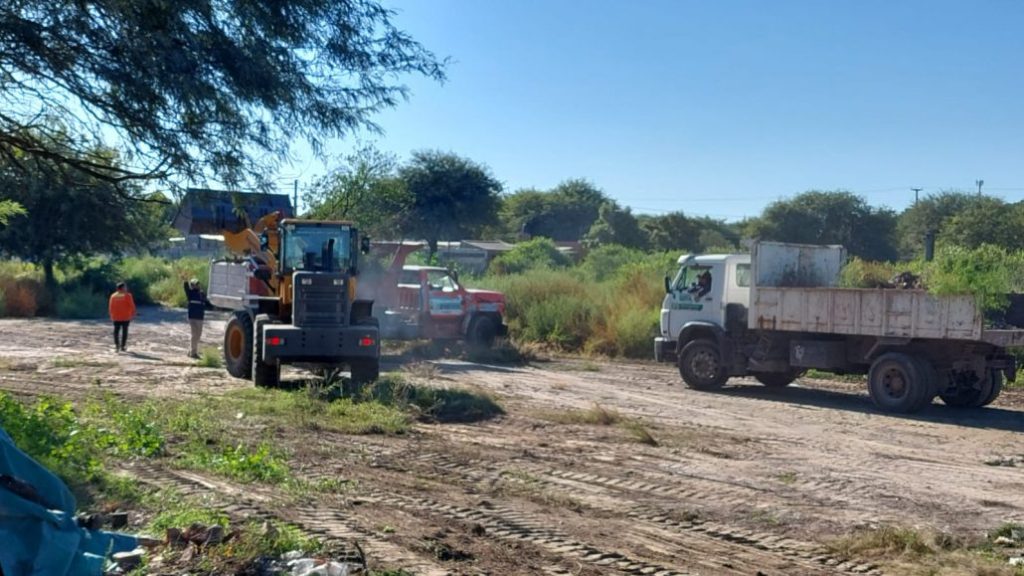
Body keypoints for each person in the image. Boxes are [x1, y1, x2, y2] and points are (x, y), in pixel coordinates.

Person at [183, 278, 212, 358]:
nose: (198, 285)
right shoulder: (190, 293)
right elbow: (185, 286)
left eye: (198, 284)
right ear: (192, 285)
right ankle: (193, 353)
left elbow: (206, 303)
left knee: (198, 335)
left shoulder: (201, 293)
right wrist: (185, 278)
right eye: (196, 284)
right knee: (194, 334)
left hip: (200, 317)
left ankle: (191, 351)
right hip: (192, 317)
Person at [108, 282, 136, 352]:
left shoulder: (113, 296)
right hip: (125, 317)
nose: (126, 288)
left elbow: (110, 307)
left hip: (116, 317)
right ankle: (123, 346)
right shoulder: (128, 295)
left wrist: (111, 315)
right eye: (125, 287)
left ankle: (117, 346)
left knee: (116, 331)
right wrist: (133, 313)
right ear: (122, 288)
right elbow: (132, 305)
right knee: (125, 331)